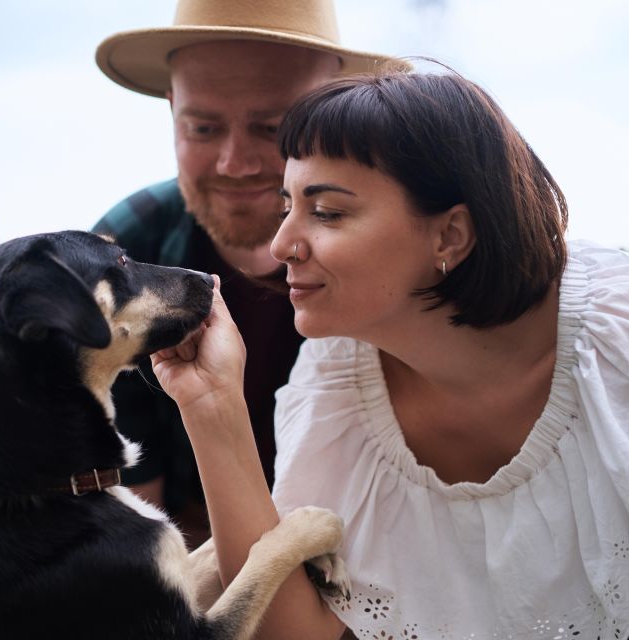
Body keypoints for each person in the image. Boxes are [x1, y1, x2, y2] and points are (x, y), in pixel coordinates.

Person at [151, 71, 629, 639]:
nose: (282, 244)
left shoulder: (623, 332)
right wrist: (213, 407)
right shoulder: (334, 387)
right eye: (287, 207)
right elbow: (292, 633)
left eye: (328, 212)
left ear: (449, 236)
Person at [91, 0, 407, 547]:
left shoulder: (401, 252)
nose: (234, 163)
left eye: (271, 128)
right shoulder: (126, 248)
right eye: (204, 127)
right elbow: (138, 517)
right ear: (171, 111)